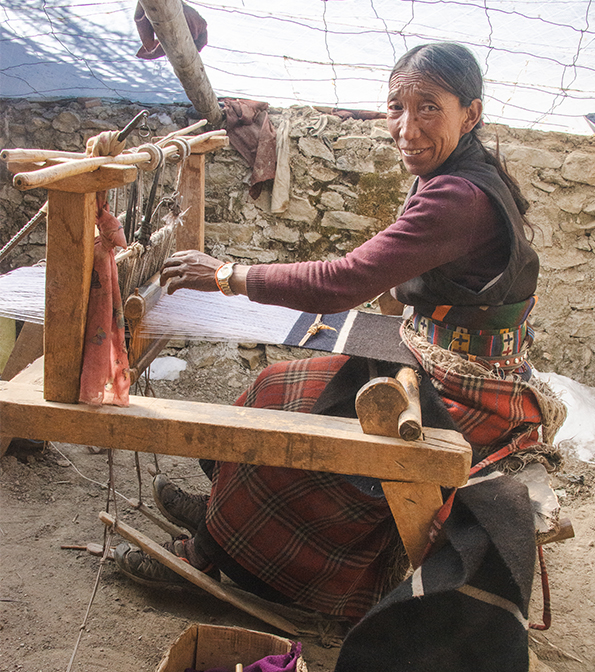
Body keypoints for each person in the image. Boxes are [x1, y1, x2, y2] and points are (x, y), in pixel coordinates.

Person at [115, 41, 564, 621]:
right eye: (396, 107)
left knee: (299, 448)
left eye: (428, 108)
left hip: (465, 391)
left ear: (469, 114)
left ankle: (210, 554)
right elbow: (393, 274)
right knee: (275, 388)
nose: (406, 127)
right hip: (432, 356)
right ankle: (219, 515)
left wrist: (226, 275)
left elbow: (346, 279)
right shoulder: (456, 169)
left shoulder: (459, 197)